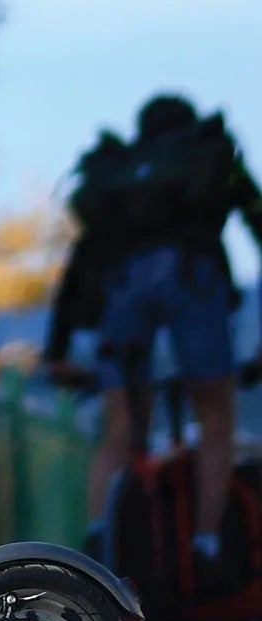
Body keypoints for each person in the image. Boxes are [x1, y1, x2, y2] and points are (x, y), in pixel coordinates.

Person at [44, 94, 262, 580]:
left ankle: (101, 540)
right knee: (215, 411)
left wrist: (55, 350)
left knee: (121, 423)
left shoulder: (123, 175)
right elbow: (257, 219)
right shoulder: (208, 156)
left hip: (124, 290)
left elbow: (83, 258)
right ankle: (207, 543)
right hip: (192, 279)